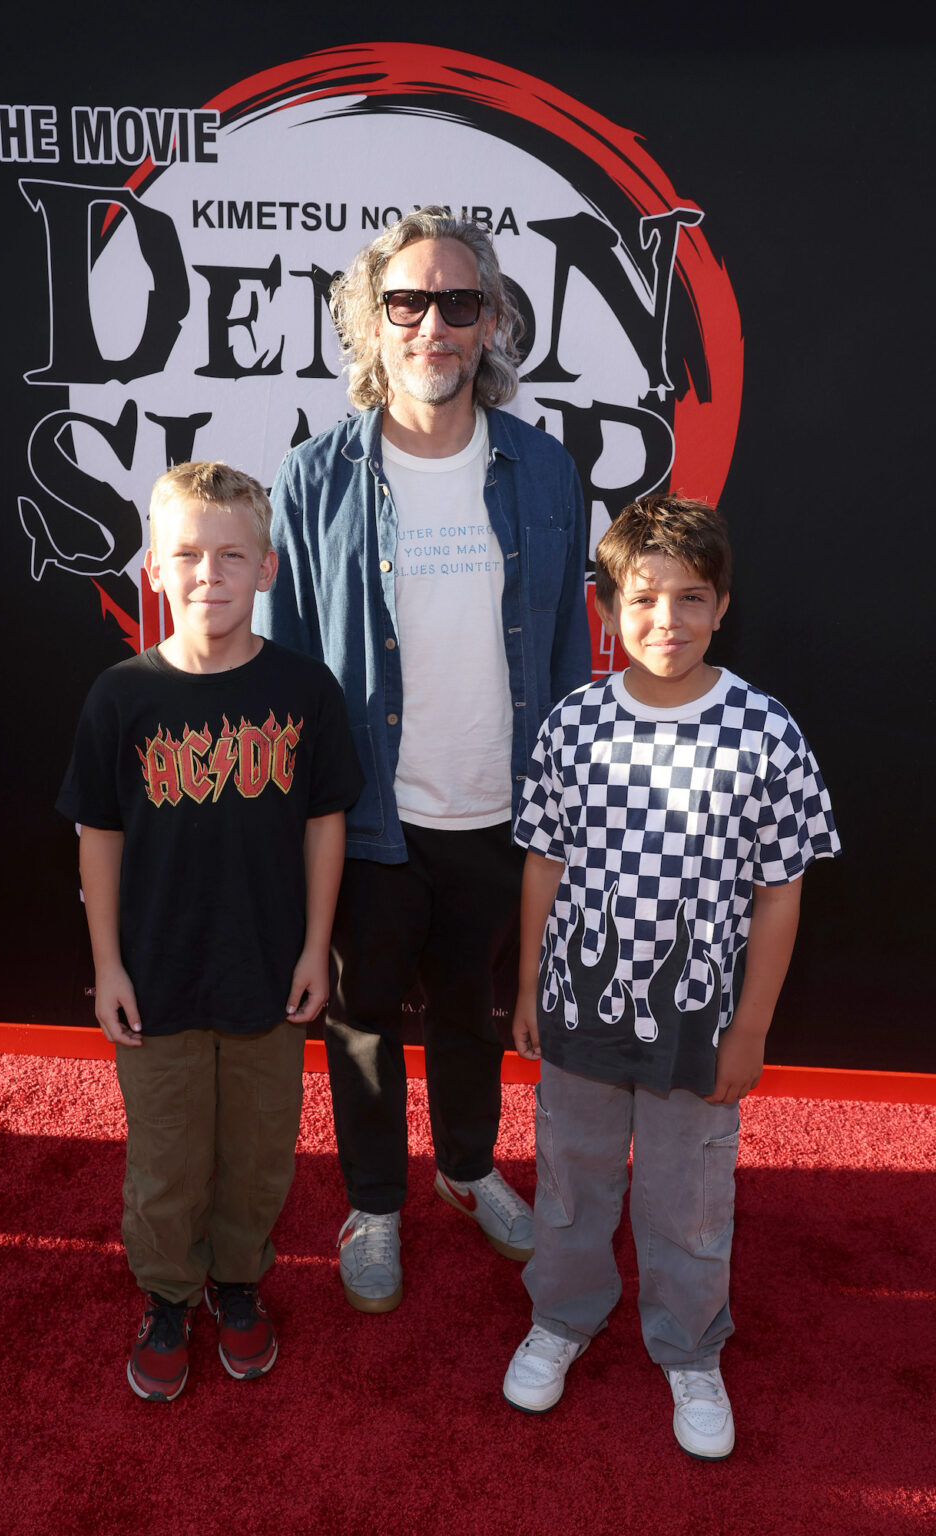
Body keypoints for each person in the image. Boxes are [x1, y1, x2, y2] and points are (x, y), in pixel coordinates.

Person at [260, 207, 591, 1312]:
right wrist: (301, 818)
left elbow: (564, 648)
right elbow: (291, 662)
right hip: (369, 816)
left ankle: (464, 1168)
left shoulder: (545, 471)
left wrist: (560, 802)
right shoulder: (314, 476)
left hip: (500, 808)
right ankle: (373, 1204)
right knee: (360, 1026)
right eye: (407, 301)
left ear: (491, 322)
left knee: (469, 1013)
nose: (432, 323)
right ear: (371, 322)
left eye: (458, 301)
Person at [502, 494, 840, 1458]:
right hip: (577, 1008)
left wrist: (751, 1029)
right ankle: (561, 1318)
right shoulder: (573, 724)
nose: (668, 620)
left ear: (723, 606)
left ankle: (691, 1348)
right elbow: (544, 865)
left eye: (692, 597)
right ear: (607, 607)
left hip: (698, 1020)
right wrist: (527, 985)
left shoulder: (764, 731)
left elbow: (780, 892)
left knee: (688, 1197)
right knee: (571, 1179)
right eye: (644, 598)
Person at [57, 462, 362, 1400]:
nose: (208, 574)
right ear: (154, 566)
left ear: (267, 568)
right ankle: (166, 1294)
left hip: (268, 968)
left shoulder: (305, 689)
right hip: (155, 974)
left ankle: (238, 1283)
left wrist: (315, 948)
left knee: (261, 1151)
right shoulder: (120, 695)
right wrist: (108, 966)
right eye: (187, 553)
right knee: (166, 1156)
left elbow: (325, 824)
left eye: (233, 555)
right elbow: (98, 835)